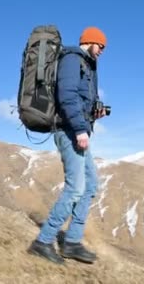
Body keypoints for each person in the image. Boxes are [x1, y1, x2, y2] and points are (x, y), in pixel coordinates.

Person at [27, 26, 108, 265]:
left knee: (91, 185)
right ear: (91, 42)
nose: (102, 51)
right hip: (69, 131)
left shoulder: (86, 64)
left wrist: (94, 114)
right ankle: (42, 242)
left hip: (77, 130)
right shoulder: (73, 60)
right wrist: (81, 129)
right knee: (75, 188)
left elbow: (79, 100)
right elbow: (67, 96)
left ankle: (72, 242)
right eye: (101, 46)